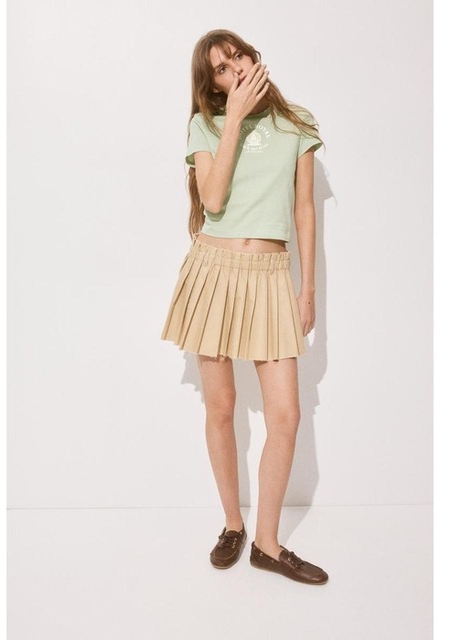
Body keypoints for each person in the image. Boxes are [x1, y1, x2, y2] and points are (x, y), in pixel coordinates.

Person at [161, 29, 328, 585]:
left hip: (271, 276)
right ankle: (233, 523)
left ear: (255, 57)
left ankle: (267, 544)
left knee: (286, 415)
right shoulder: (205, 125)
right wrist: (232, 118)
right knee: (222, 408)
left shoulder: (297, 122)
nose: (234, 67)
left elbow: (304, 210)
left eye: (238, 55)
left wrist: (307, 290)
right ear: (213, 86)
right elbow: (211, 199)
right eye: (221, 67)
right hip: (213, 272)